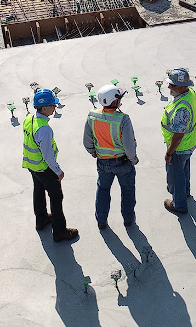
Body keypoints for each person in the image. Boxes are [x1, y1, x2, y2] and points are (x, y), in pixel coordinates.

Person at [22, 88, 79, 242]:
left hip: (31, 165)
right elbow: (47, 156)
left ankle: (41, 220)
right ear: (44, 107)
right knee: (56, 197)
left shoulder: (29, 119)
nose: (55, 107)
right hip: (44, 168)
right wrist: (58, 171)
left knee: (38, 191)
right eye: (53, 105)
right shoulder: (44, 129)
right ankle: (60, 231)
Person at [83, 84, 139, 229]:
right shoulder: (123, 119)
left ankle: (101, 221)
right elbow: (128, 144)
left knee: (102, 190)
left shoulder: (92, 116)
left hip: (103, 162)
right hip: (123, 163)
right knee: (127, 191)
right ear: (114, 102)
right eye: (119, 98)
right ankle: (128, 219)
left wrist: (92, 151)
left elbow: (87, 140)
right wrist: (133, 159)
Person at [161, 68, 196, 214]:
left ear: (182, 87)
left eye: (173, 85)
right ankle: (185, 192)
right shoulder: (190, 93)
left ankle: (179, 204)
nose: (169, 87)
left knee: (176, 174)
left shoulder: (181, 109)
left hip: (180, 147)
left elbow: (178, 135)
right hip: (189, 143)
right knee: (183, 169)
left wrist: (169, 153)